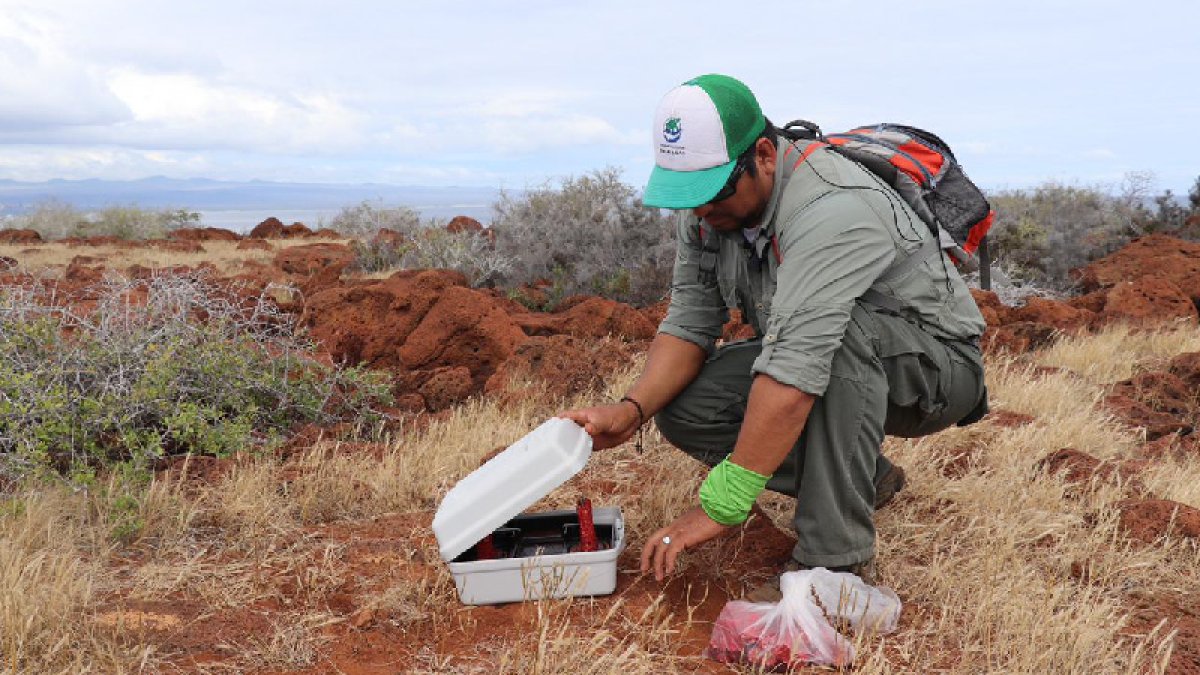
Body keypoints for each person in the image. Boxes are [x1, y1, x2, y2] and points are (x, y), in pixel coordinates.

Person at [560, 74, 987, 597]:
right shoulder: (708, 215)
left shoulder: (832, 207)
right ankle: (864, 479)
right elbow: (690, 321)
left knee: (834, 339)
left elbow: (797, 366)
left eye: (712, 192)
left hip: (934, 369)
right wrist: (630, 412)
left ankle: (832, 570)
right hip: (826, 354)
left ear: (763, 154)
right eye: (686, 196)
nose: (699, 211)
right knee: (688, 405)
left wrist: (723, 503)